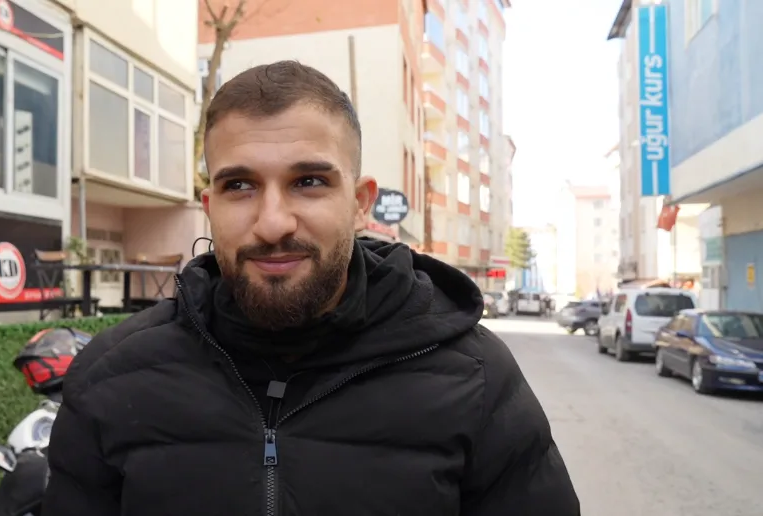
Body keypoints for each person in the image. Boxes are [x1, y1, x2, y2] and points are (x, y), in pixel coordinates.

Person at [43, 61, 580, 515]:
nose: (273, 222)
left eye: (309, 182)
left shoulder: (475, 378)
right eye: (239, 185)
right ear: (210, 207)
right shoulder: (112, 376)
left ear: (360, 203)